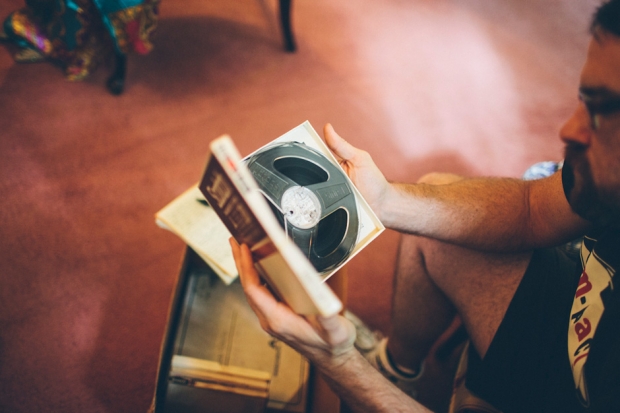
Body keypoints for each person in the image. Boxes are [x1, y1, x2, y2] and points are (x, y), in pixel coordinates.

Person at [230, 1, 620, 411]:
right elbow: (532, 209)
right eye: (584, 99)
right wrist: (385, 200)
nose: (568, 129)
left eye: (603, 111)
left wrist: (338, 362)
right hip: (578, 314)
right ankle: (396, 368)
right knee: (433, 208)